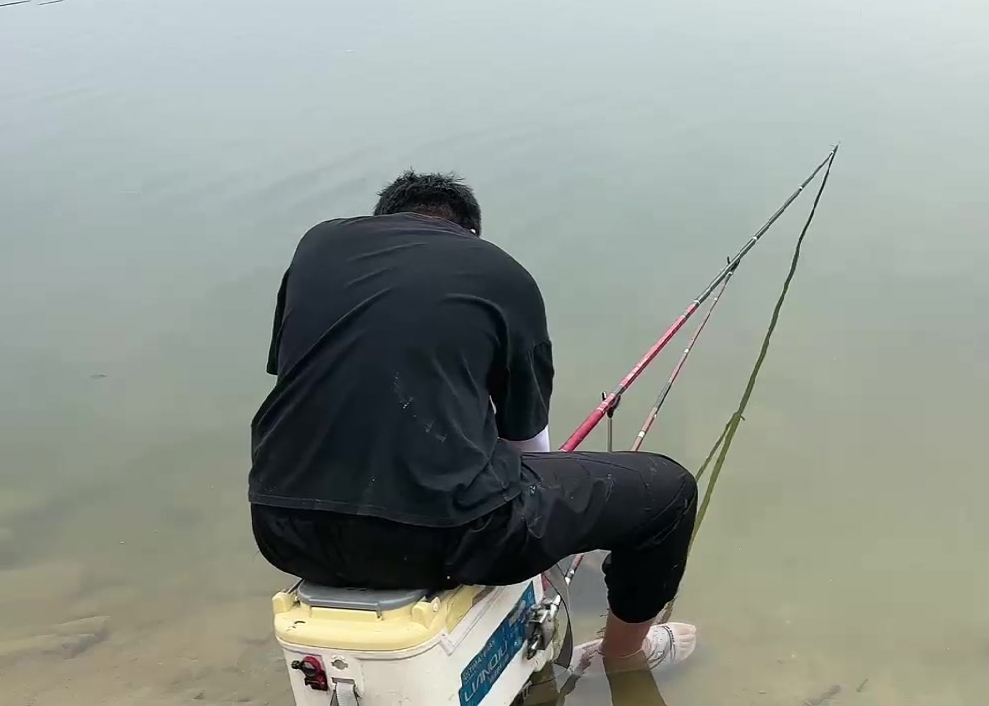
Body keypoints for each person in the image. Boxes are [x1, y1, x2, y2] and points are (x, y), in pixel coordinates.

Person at [249, 170, 699, 673]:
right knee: (669, 493)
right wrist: (559, 532)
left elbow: (302, 375)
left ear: (381, 222)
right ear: (471, 233)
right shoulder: (499, 272)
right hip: (447, 539)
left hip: (283, 531)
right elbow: (527, 443)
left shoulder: (318, 248)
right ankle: (626, 656)